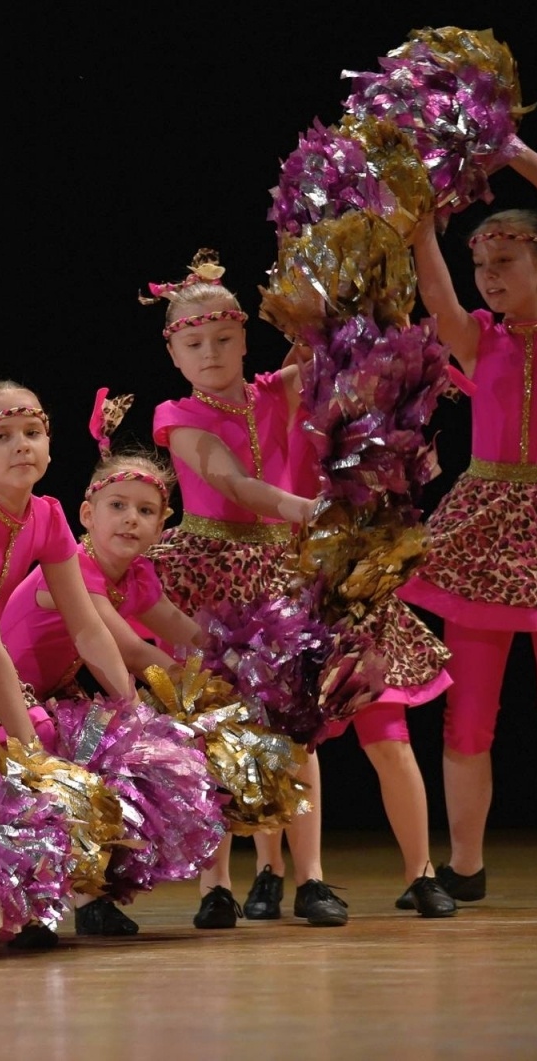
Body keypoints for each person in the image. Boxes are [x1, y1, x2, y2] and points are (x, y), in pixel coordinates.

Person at [146, 249, 455, 926]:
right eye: (193, 343)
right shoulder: (176, 415)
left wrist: (351, 284)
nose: (210, 353)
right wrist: (307, 511)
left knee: (297, 731)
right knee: (217, 729)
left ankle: (310, 877)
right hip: (212, 573)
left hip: (285, 570)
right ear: (173, 354)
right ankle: (215, 886)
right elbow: (231, 481)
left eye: (223, 338)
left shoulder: (276, 389)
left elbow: (347, 354)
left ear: (244, 337)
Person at [402, 139, 537, 910]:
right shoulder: (477, 337)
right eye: (481, 269)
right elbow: (432, 291)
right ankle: (465, 866)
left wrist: (513, 154)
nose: (489, 280)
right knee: (468, 714)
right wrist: (423, 218)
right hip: (482, 528)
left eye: (504, 264)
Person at [0, 391, 217, 936]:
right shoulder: (75, 567)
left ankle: (92, 898)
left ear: (163, 525)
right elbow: (132, 649)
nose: (130, 521)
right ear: (87, 514)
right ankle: (34, 908)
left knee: (115, 772)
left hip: (63, 696)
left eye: (145, 512)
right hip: (9, 698)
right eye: (117, 507)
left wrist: (235, 657)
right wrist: (193, 694)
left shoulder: (138, 576)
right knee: (93, 766)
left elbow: (180, 628)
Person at [0, 371, 135, 751]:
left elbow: (88, 628)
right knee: (35, 747)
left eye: (32, 432)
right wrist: (32, 754)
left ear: (49, 444)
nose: (22, 446)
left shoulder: (46, 515)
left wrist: (137, 712)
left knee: (96, 741)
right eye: (2, 436)